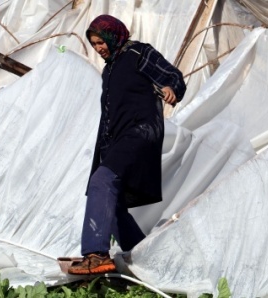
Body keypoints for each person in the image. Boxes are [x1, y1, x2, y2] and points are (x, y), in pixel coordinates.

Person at [67, 14, 186, 275]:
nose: (99, 49)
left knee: (102, 182)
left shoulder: (138, 53)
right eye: (94, 44)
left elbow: (172, 75)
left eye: (101, 42)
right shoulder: (109, 69)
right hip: (116, 139)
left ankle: (96, 254)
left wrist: (171, 88)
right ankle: (145, 256)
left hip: (141, 130)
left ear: (113, 35)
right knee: (113, 202)